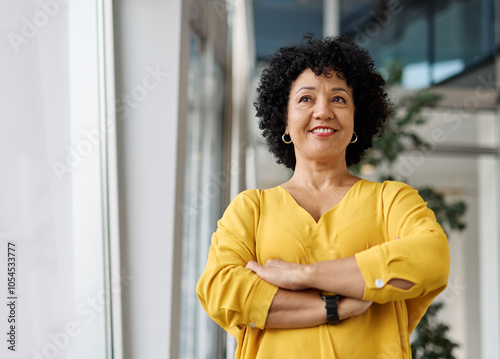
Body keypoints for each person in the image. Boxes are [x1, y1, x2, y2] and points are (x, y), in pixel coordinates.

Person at [196, 35, 449, 359]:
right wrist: (335, 307)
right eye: (305, 99)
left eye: (339, 99)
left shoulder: (391, 200)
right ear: (284, 120)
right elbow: (223, 290)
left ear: (357, 118)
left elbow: (430, 258)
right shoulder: (251, 209)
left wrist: (302, 275)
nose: (323, 111)